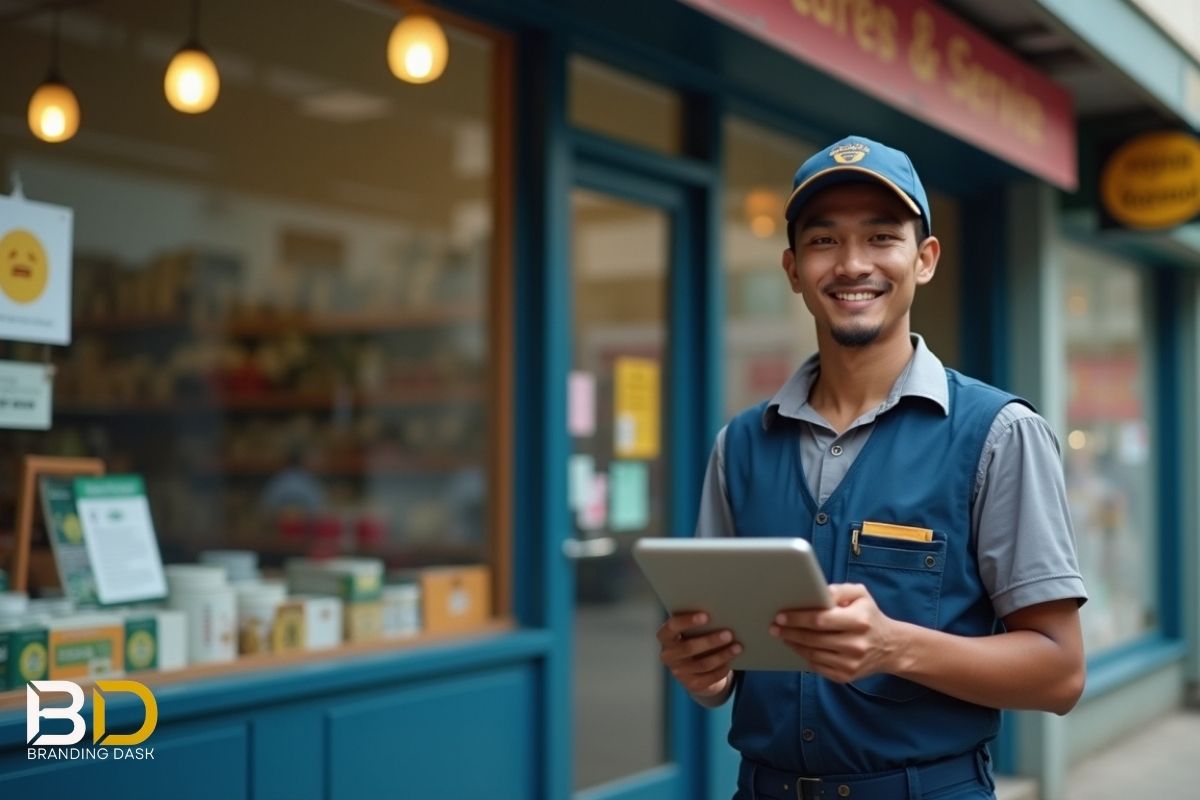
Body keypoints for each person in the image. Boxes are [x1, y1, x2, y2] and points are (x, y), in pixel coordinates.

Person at [656, 135, 1087, 800]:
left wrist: (893, 648)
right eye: (824, 241)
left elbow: (1060, 675)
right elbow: (723, 667)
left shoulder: (1000, 435)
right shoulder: (739, 444)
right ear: (793, 268)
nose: (853, 264)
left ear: (925, 259)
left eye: (882, 237)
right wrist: (705, 670)